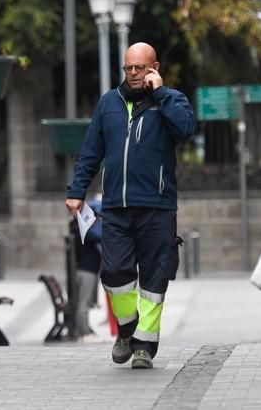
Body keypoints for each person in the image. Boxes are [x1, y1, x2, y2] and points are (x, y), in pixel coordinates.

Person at [66, 42, 196, 369]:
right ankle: (126, 327)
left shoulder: (170, 100)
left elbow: (186, 129)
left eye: (140, 68)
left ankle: (144, 347)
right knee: (113, 271)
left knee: (154, 278)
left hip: (157, 206)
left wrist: (162, 93)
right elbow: (91, 152)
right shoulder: (109, 103)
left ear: (154, 67)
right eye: (129, 68)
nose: (134, 74)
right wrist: (76, 190)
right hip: (116, 207)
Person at [72, 196, 103, 343]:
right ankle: (83, 332)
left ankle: (84, 330)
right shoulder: (84, 229)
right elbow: (100, 235)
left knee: (85, 302)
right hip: (87, 271)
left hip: (88, 270)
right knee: (84, 303)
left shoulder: (80, 228)